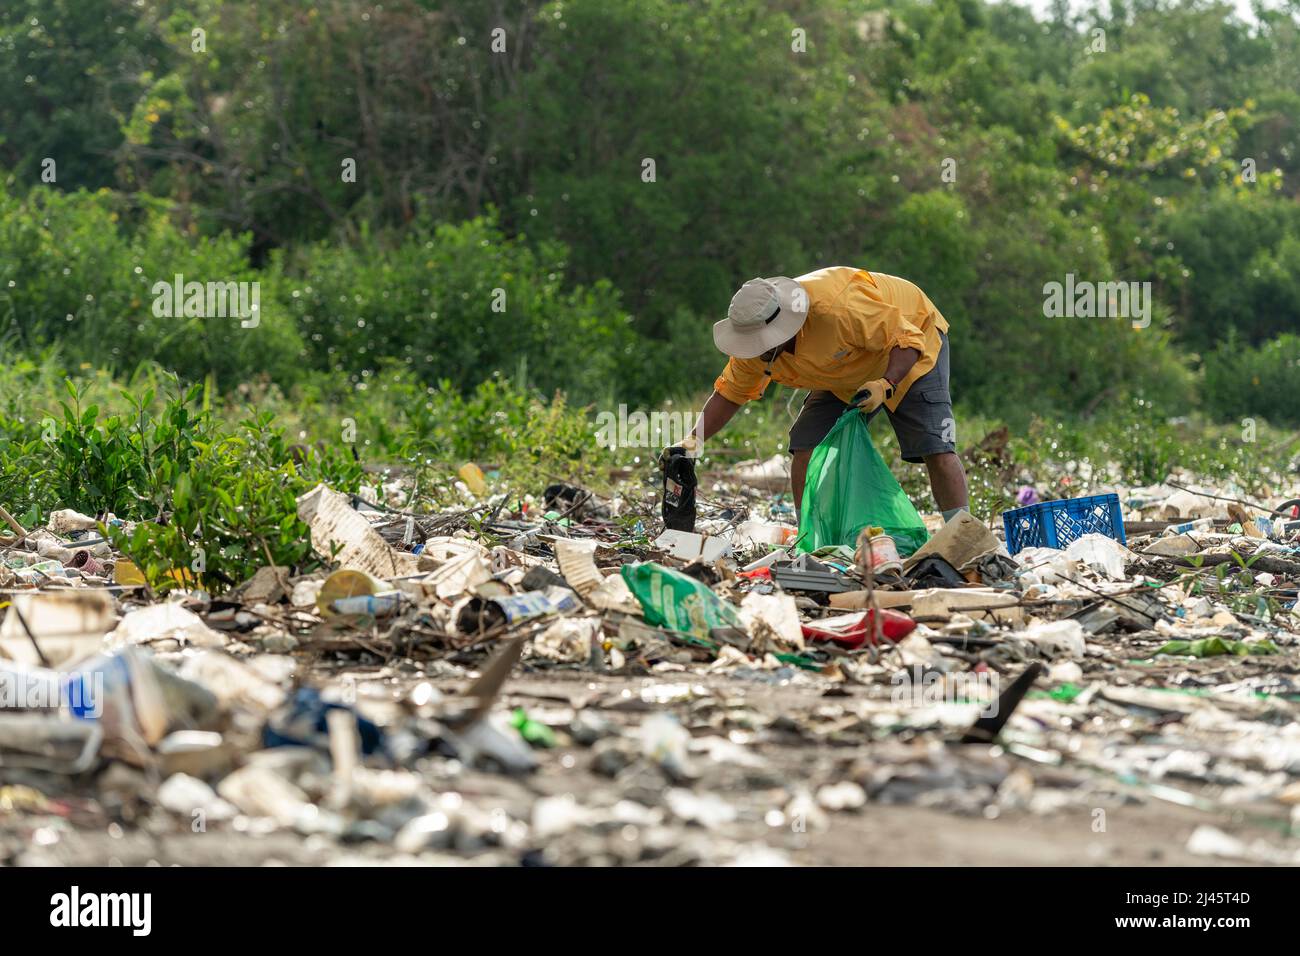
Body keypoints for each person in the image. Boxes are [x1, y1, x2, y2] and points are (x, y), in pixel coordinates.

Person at [691, 266, 969, 521]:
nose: (757, 350)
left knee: (936, 448)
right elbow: (730, 394)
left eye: (763, 343)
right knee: (806, 446)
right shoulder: (753, 345)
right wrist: (691, 442)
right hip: (844, 371)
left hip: (911, 347)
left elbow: (907, 339)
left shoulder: (838, 309)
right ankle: (810, 536)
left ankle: (962, 534)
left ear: (785, 326)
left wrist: (885, 384)